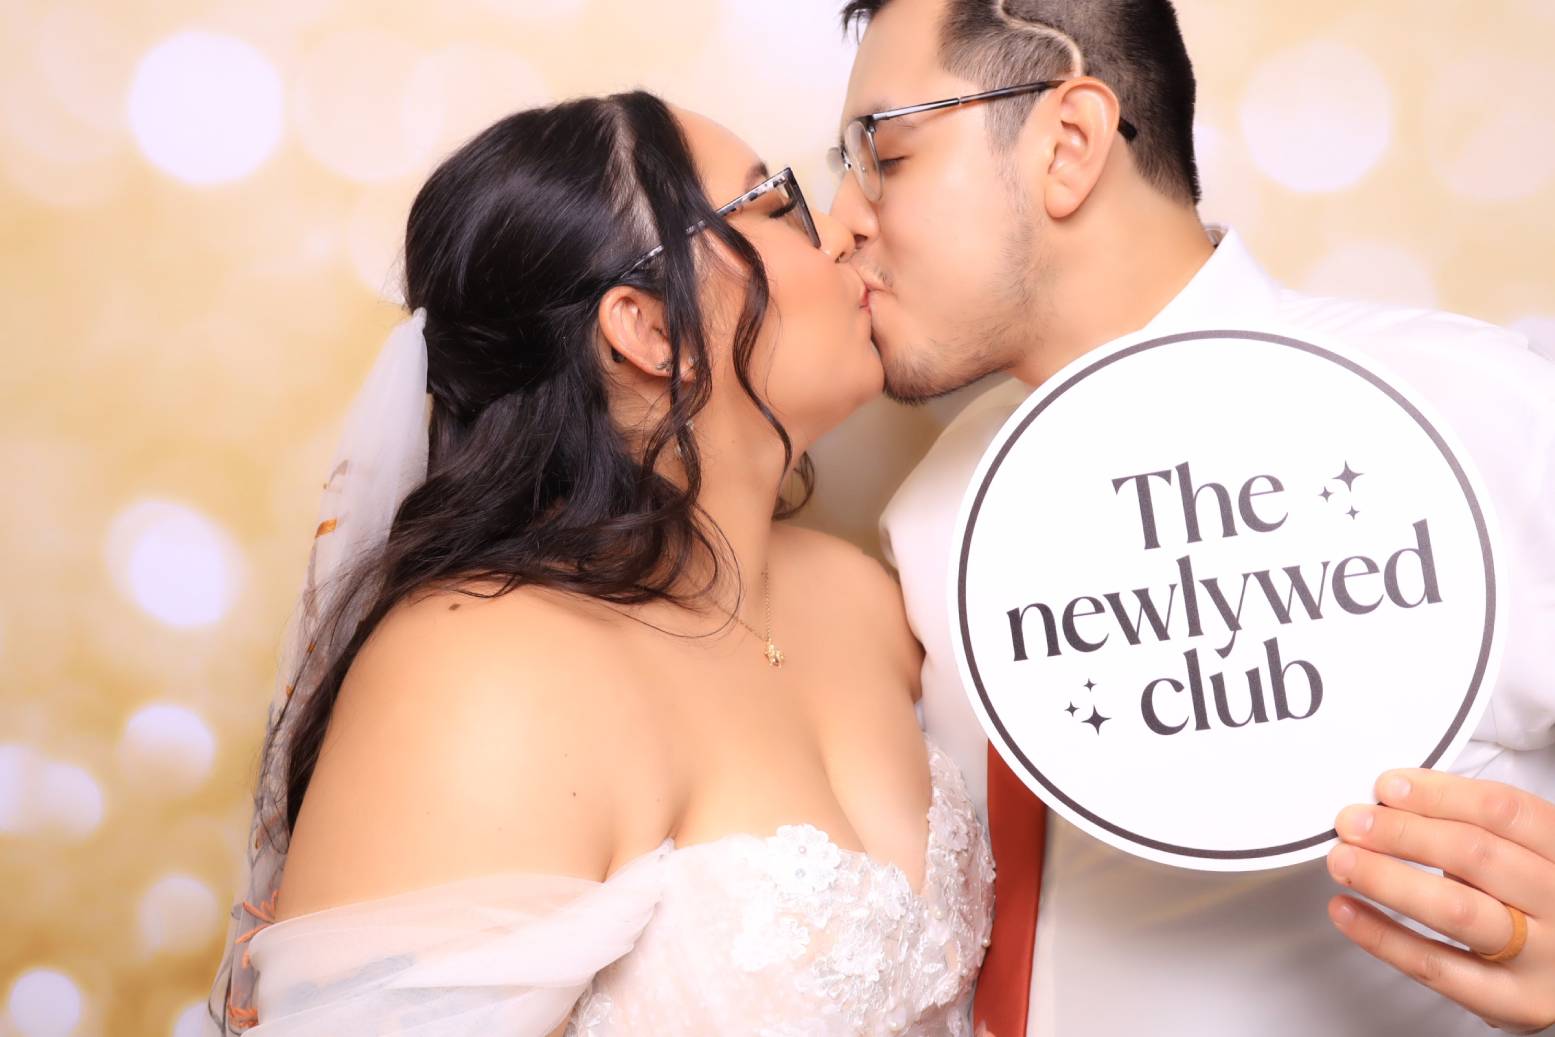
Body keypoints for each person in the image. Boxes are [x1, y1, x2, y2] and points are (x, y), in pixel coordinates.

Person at [830, 0, 1555, 1034]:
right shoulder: (937, 503)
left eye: (884, 154)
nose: (839, 218)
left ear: (1069, 145)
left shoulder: (1469, 412)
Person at [207, 91, 996, 1035]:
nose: (836, 236)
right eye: (777, 204)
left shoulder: (867, 595)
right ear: (651, 330)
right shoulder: (480, 672)